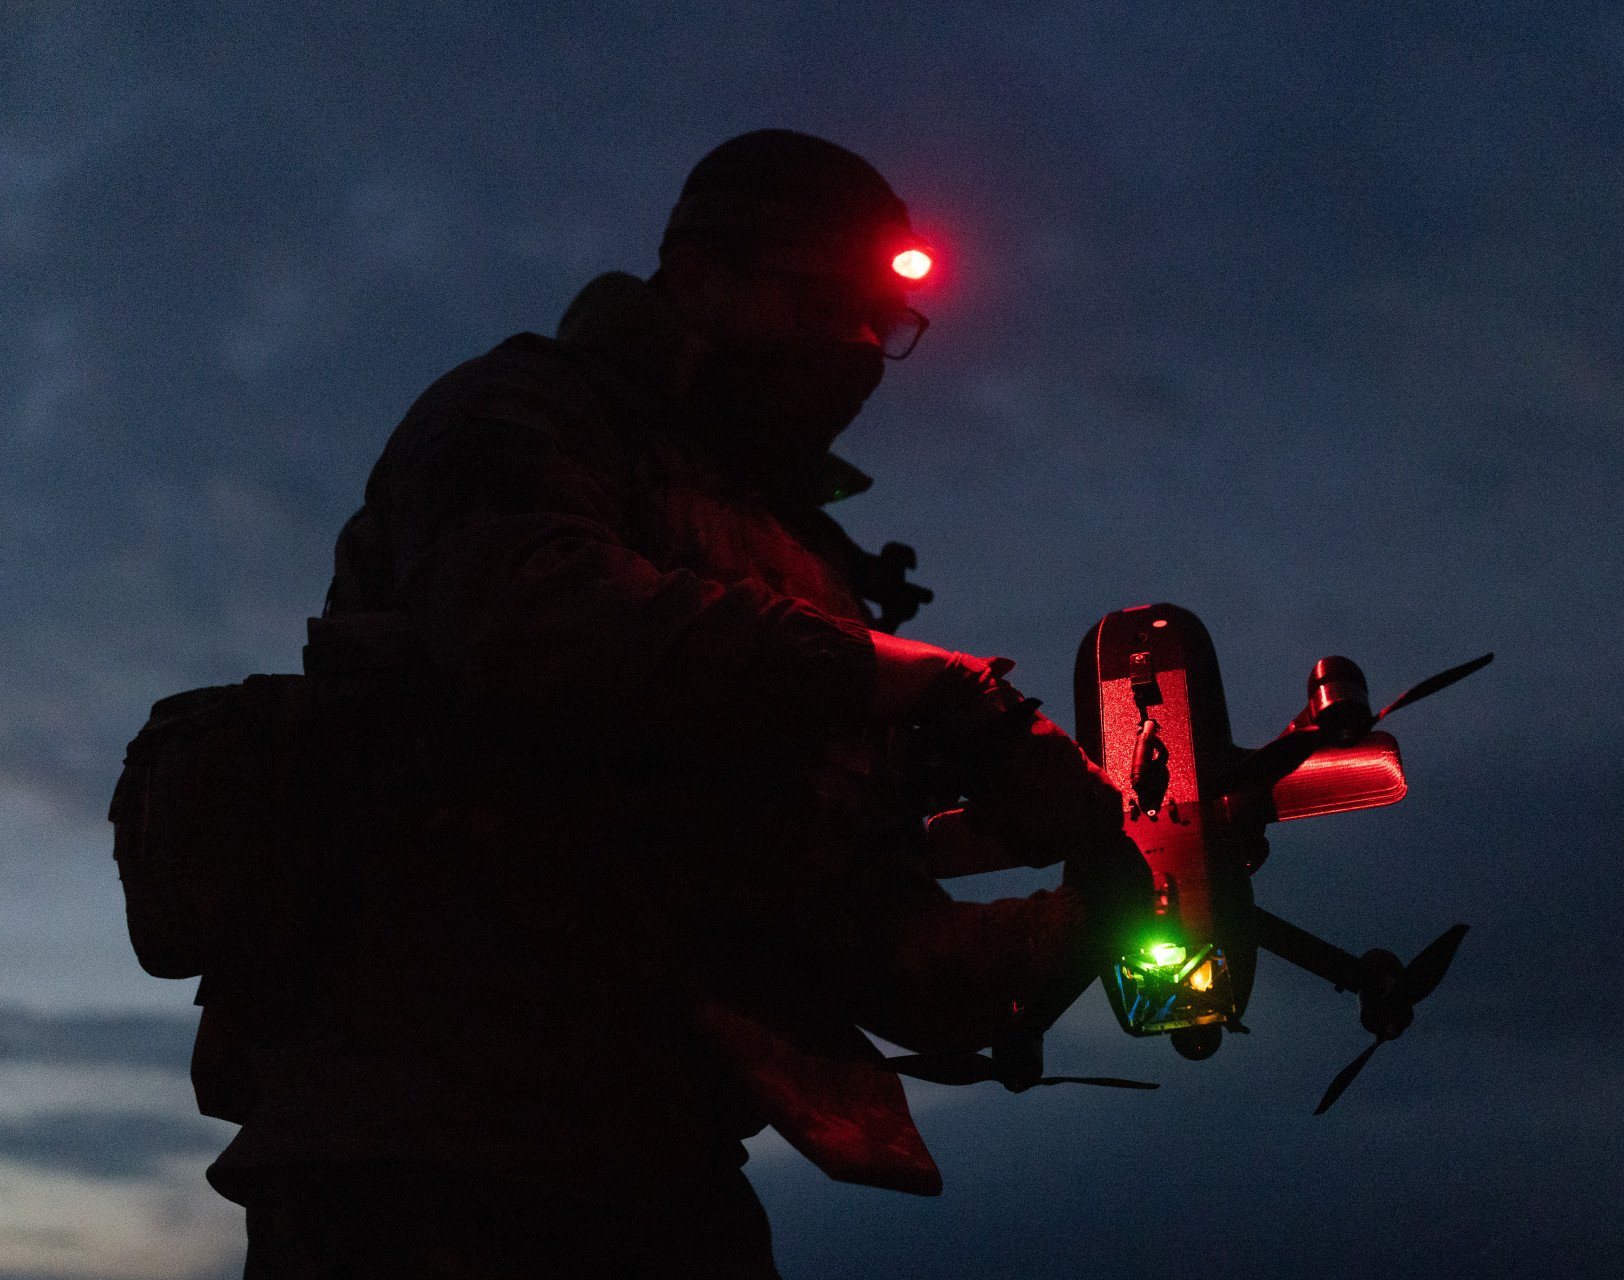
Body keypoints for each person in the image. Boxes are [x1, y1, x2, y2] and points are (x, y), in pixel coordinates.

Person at [199, 129, 1148, 1278]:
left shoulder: (804, 561)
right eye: (825, 301)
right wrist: (928, 685)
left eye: (880, 324)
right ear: (702, 277)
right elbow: (529, 617)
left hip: (661, 1184)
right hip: (422, 1153)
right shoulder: (523, 414)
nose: (857, 350)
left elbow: (869, 941)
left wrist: (1104, 897)